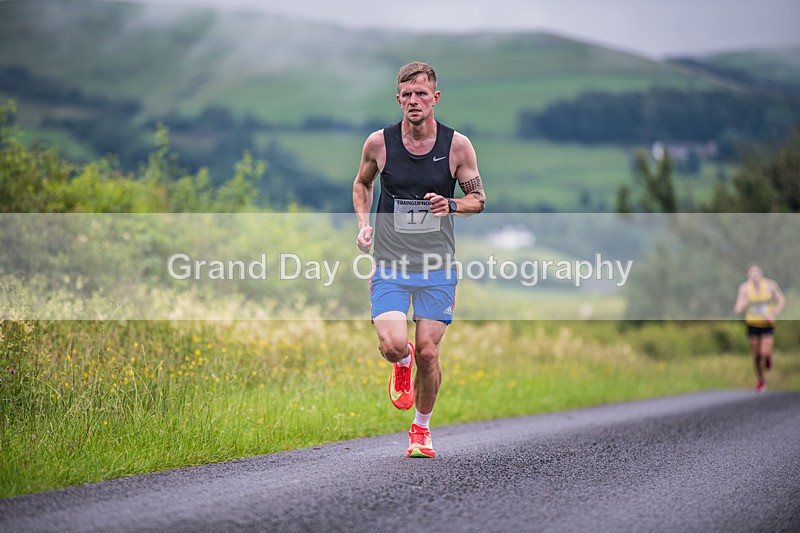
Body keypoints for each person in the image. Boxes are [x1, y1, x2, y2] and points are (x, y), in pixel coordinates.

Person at [352, 62, 486, 457]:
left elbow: (479, 200)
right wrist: (363, 225)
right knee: (395, 345)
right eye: (407, 95)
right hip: (390, 262)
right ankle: (402, 360)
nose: (414, 101)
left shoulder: (457, 146)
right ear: (398, 99)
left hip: (437, 267)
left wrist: (453, 203)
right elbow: (362, 183)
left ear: (435, 98)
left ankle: (421, 429)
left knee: (430, 350)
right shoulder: (379, 143)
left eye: (422, 94)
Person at [734, 264, 785, 393]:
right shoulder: (744, 289)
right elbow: (737, 308)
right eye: (752, 274)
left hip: (767, 323)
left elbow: (781, 300)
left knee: (764, 352)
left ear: (761, 275)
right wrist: (743, 305)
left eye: (757, 274)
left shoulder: (770, 286)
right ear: (748, 276)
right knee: (756, 355)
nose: (755, 277)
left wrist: (773, 312)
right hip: (752, 323)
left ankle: (769, 357)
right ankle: (761, 381)